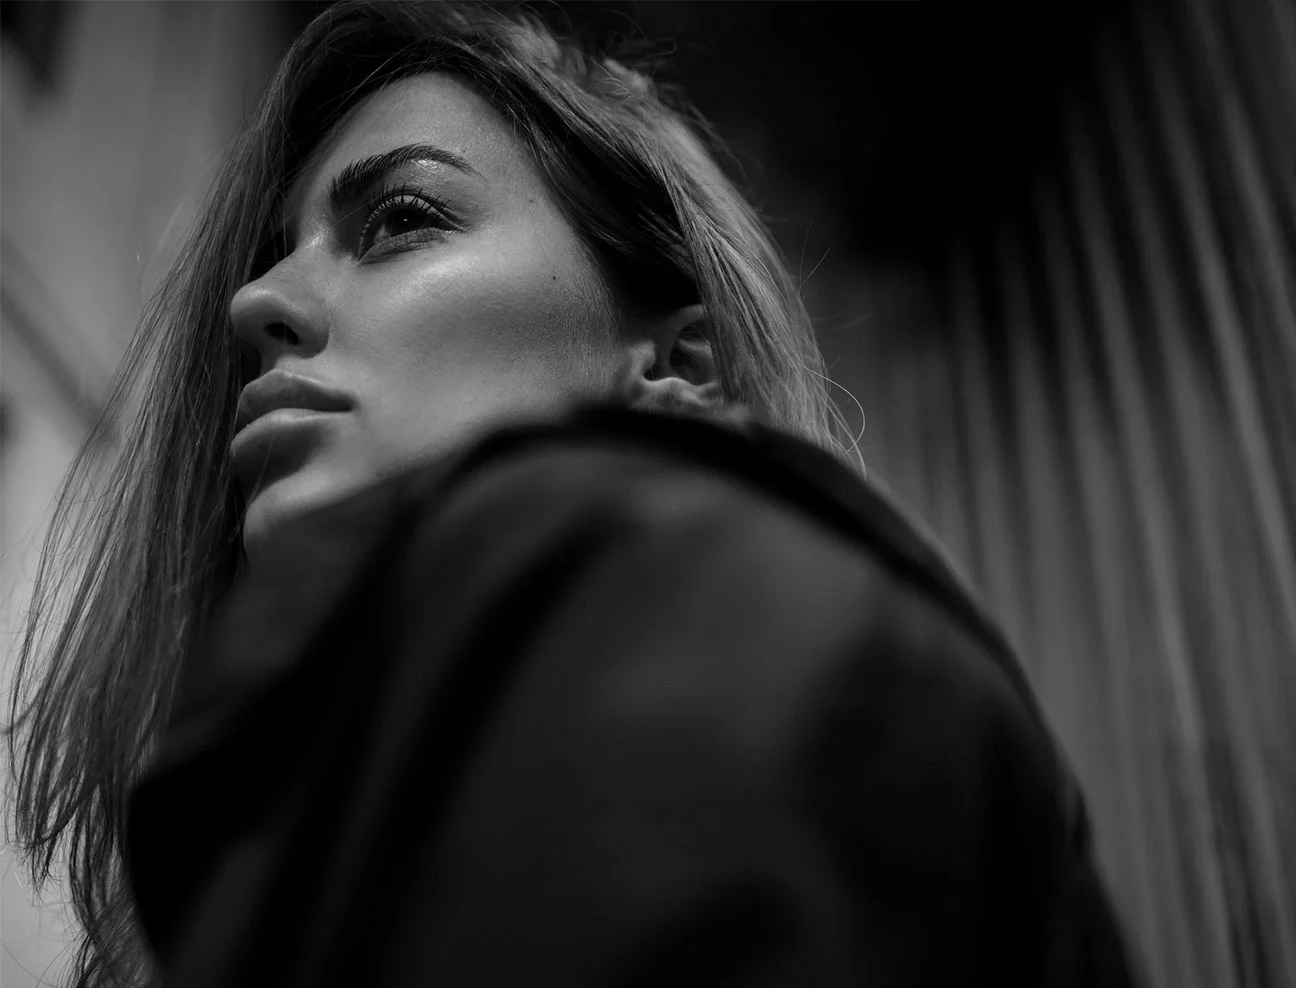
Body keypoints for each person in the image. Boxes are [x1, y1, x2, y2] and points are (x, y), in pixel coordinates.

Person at [4, 2, 1148, 986]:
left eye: (402, 217)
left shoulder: (684, 609)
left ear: (675, 364)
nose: (256, 302)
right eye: (275, 251)